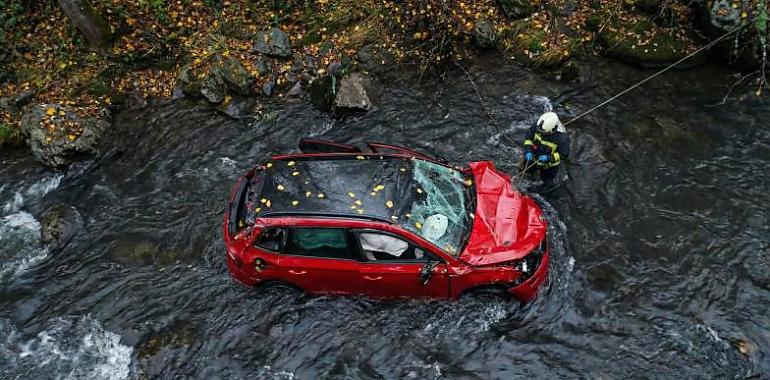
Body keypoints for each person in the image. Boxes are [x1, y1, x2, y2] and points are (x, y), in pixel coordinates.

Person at [523, 112, 571, 186]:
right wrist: (528, 150)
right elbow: (528, 138)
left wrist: (549, 158)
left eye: (544, 133)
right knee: (526, 172)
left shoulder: (562, 138)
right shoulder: (538, 126)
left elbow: (563, 154)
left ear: (552, 130)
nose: (541, 133)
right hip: (533, 157)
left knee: (547, 182)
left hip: (549, 165)